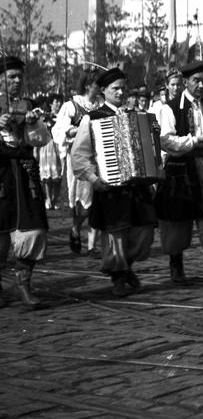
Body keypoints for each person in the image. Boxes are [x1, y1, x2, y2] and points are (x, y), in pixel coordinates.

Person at [70, 68, 157, 297]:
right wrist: (93, 178)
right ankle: (118, 275)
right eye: (115, 88)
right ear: (103, 91)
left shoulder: (136, 114)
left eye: (122, 88)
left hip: (137, 185)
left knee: (145, 232)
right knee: (115, 235)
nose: (120, 92)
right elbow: (79, 155)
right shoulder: (92, 118)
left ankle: (126, 265)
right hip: (110, 187)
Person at [154, 61, 203, 284]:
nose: (200, 85)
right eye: (196, 80)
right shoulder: (169, 107)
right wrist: (194, 141)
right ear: (186, 82)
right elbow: (166, 141)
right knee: (177, 219)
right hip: (180, 168)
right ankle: (176, 262)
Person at [0, 56, 52, 308]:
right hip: (0, 175)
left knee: (34, 230)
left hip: (24, 174)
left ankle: (23, 283)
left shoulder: (29, 105)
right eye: (11, 76)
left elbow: (41, 140)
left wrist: (32, 123)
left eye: (20, 76)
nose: (17, 81)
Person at [52, 69, 103, 256]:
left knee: (97, 200)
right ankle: (75, 228)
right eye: (98, 84)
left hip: (100, 158)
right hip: (80, 158)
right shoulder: (71, 105)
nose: (100, 88)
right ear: (89, 85)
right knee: (83, 203)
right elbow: (60, 130)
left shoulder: (102, 105)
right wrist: (81, 128)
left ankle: (92, 246)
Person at [37, 94, 63, 209]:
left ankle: (55, 199)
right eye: (55, 101)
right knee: (47, 177)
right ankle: (48, 198)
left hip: (59, 147)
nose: (58, 104)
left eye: (59, 101)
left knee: (58, 176)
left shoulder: (63, 117)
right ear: (51, 104)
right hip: (46, 146)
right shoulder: (44, 117)